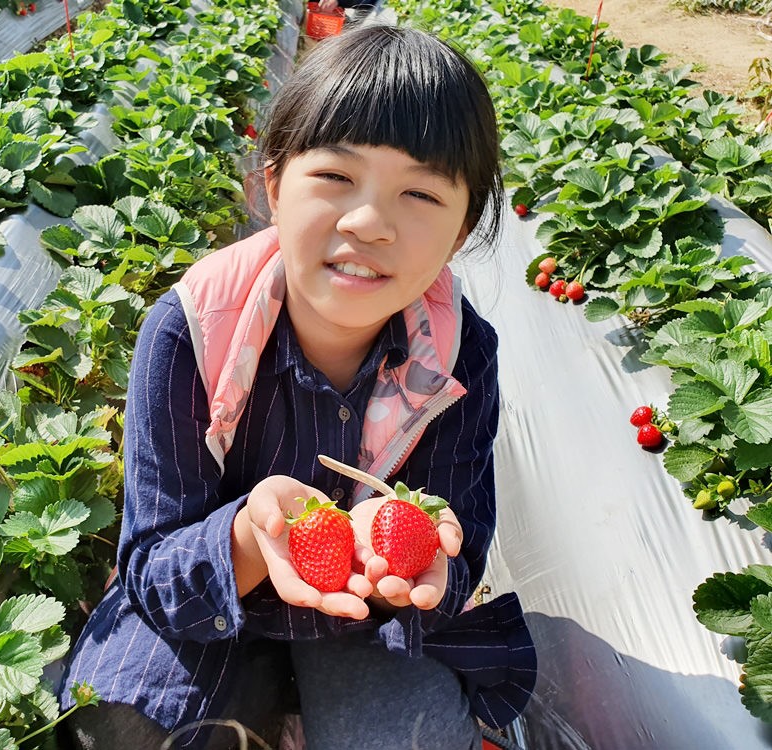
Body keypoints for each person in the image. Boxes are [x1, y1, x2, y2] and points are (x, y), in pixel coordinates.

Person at [57, 23, 536, 750]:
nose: (371, 222)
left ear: (463, 229)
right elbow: (152, 563)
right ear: (274, 184)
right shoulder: (192, 332)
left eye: (421, 195)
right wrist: (251, 535)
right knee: (125, 731)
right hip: (222, 598)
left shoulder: (460, 356)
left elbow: (459, 547)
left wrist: (403, 559)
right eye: (336, 177)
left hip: (367, 621)